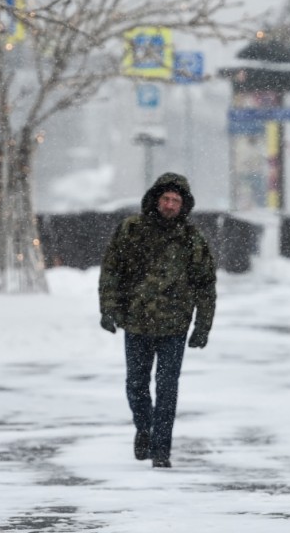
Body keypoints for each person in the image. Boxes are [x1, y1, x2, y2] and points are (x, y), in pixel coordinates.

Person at [98, 172, 217, 468]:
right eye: (165, 198)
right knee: (136, 384)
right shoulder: (131, 230)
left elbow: (206, 286)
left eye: (176, 201)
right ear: (155, 199)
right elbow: (111, 271)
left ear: (183, 205)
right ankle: (145, 427)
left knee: (167, 388)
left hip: (174, 327)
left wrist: (203, 326)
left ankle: (161, 449)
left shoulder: (192, 240)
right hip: (136, 322)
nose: (169, 205)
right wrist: (108, 309)